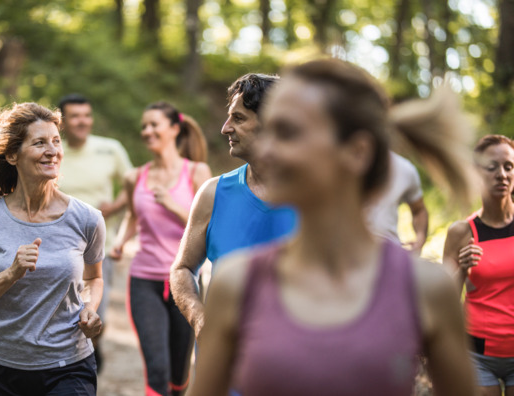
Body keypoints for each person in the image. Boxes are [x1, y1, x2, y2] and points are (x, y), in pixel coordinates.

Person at [189, 59, 476, 396]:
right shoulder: (235, 284)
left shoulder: (426, 290)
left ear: (356, 152)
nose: (266, 148)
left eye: (286, 133)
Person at [0, 102, 105, 395]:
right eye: (39, 143)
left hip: (69, 366)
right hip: (2, 370)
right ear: (13, 154)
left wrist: (89, 308)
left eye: (56, 141)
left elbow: (93, 278)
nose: (53, 151)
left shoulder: (87, 218)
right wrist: (10, 273)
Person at [170, 73, 297, 339]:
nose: (225, 128)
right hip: (222, 368)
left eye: (238, 118)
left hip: (298, 368)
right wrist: (198, 317)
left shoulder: (317, 197)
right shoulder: (213, 194)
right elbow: (182, 269)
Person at [109, 102, 212, 396]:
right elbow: (132, 216)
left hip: (185, 281)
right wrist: (120, 242)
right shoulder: (135, 177)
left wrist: (171, 204)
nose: (147, 131)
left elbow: (207, 223)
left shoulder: (197, 172)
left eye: (154, 124)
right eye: (144, 126)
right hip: (144, 280)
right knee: (157, 370)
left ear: (174, 129)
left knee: (179, 375)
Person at [57, 94, 133, 371]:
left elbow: (134, 185)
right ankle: (68, 364)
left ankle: (91, 352)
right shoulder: (53, 151)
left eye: (86, 115)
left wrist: (111, 209)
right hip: (58, 247)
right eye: (75, 116)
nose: (82, 121)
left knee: (96, 310)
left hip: (100, 247)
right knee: (60, 312)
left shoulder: (109, 149)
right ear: (62, 121)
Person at [443, 135, 514, 396]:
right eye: (492, 167)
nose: (502, 174)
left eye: (508, 166)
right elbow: (445, 299)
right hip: (478, 356)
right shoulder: (462, 232)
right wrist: (461, 268)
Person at [364, 151, 429, 254]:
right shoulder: (339, 162)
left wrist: (420, 238)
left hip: (388, 254)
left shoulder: (405, 169)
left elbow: (419, 210)